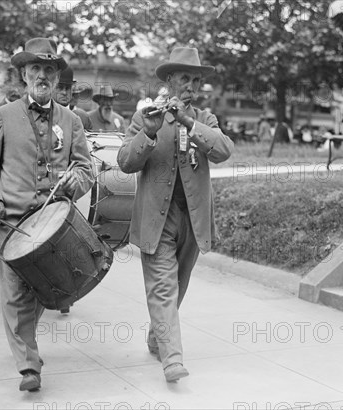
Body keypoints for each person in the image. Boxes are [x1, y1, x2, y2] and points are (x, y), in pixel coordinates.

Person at [0, 37, 94, 392]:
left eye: (49, 70)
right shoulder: (3, 116)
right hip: (11, 224)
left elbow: (85, 169)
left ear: (57, 77)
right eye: (36, 69)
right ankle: (28, 366)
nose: (43, 76)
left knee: (43, 292)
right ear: (24, 74)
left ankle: (28, 346)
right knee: (14, 297)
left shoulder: (71, 120)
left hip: (56, 228)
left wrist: (77, 180)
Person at [117, 47, 234, 383]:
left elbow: (224, 150)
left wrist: (188, 121)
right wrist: (150, 132)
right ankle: (172, 359)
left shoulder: (205, 119)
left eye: (196, 80)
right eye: (185, 78)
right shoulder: (145, 116)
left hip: (193, 221)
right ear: (169, 80)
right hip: (157, 220)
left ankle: (158, 337)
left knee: (177, 285)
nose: (191, 86)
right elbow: (125, 161)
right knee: (163, 288)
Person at [52, 66, 92, 130]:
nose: (64, 92)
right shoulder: (41, 116)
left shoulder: (82, 117)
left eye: (68, 88)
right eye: (60, 88)